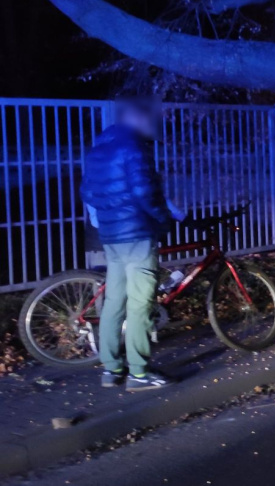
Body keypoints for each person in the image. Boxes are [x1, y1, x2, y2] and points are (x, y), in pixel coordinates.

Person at [81, 98, 177, 392]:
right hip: (137, 234)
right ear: (137, 117)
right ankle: (139, 373)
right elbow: (146, 192)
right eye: (151, 118)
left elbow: (87, 191)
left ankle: (111, 369)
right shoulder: (134, 147)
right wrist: (165, 220)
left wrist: (109, 218)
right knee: (139, 304)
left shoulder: (99, 148)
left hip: (111, 236)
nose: (155, 124)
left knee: (113, 302)